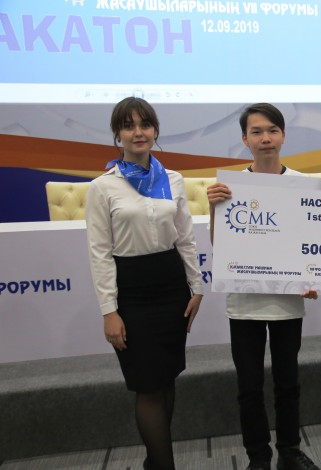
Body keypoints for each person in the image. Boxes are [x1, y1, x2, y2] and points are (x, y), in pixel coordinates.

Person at [86, 97, 203, 470]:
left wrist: (197, 287)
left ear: (155, 130)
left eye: (145, 124)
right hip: (132, 293)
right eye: (128, 126)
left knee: (166, 379)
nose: (138, 132)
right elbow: (99, 253)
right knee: (148, 386)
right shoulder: (103, 187)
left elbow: (185, 239)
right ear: (117, 135)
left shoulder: (173, 180)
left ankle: (154, 463)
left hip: (171, 287)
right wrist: (109, 311)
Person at [206, 103, 320, 470]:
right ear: (245, 139)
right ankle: (259, 457)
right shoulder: (230, 187)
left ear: (283, 136)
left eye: (272, 130)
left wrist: (314, 278)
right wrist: (214, 209)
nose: (265, 138)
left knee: (288, 383)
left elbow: (313, 242)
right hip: (244, 303)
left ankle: (289, 450)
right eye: (256, 132)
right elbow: (220, 246)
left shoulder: (303, 184)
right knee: (249, 387)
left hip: (288, 301)